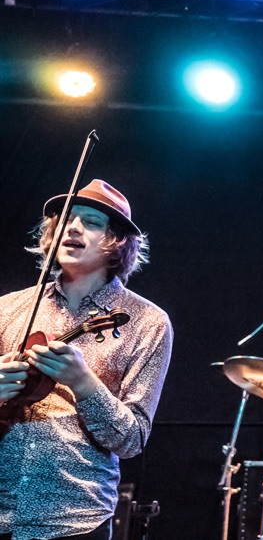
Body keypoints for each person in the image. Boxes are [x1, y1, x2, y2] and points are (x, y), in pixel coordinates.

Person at [0, 180, 173, 540]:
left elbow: (131, 440)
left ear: (117, 242)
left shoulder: (147, 322)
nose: (73, 227)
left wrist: (84, 383)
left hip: (75, 521)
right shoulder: (9, 308)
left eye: (91, 222)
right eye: (65, 219)